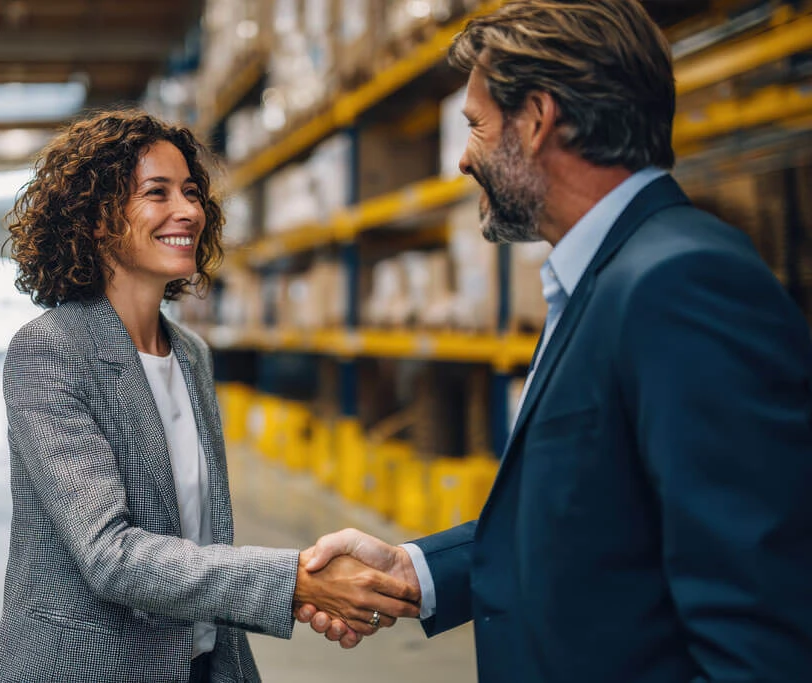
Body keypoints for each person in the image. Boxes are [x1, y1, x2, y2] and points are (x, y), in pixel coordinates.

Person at [297, 0, 812, 680]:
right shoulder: (604, 278)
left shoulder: (684, 284)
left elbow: (758, 637)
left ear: (537, 121)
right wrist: (416, 571)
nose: (462, 159)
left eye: (477, 127)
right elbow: (596, 519)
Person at [0, 110, 420, 683]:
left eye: (191, 192)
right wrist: (297, 581)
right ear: (94, 220)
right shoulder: (51, 349)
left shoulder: (190, 353)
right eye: (156, 193)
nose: (187, 210)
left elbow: (205, 537)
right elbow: (109, 555)